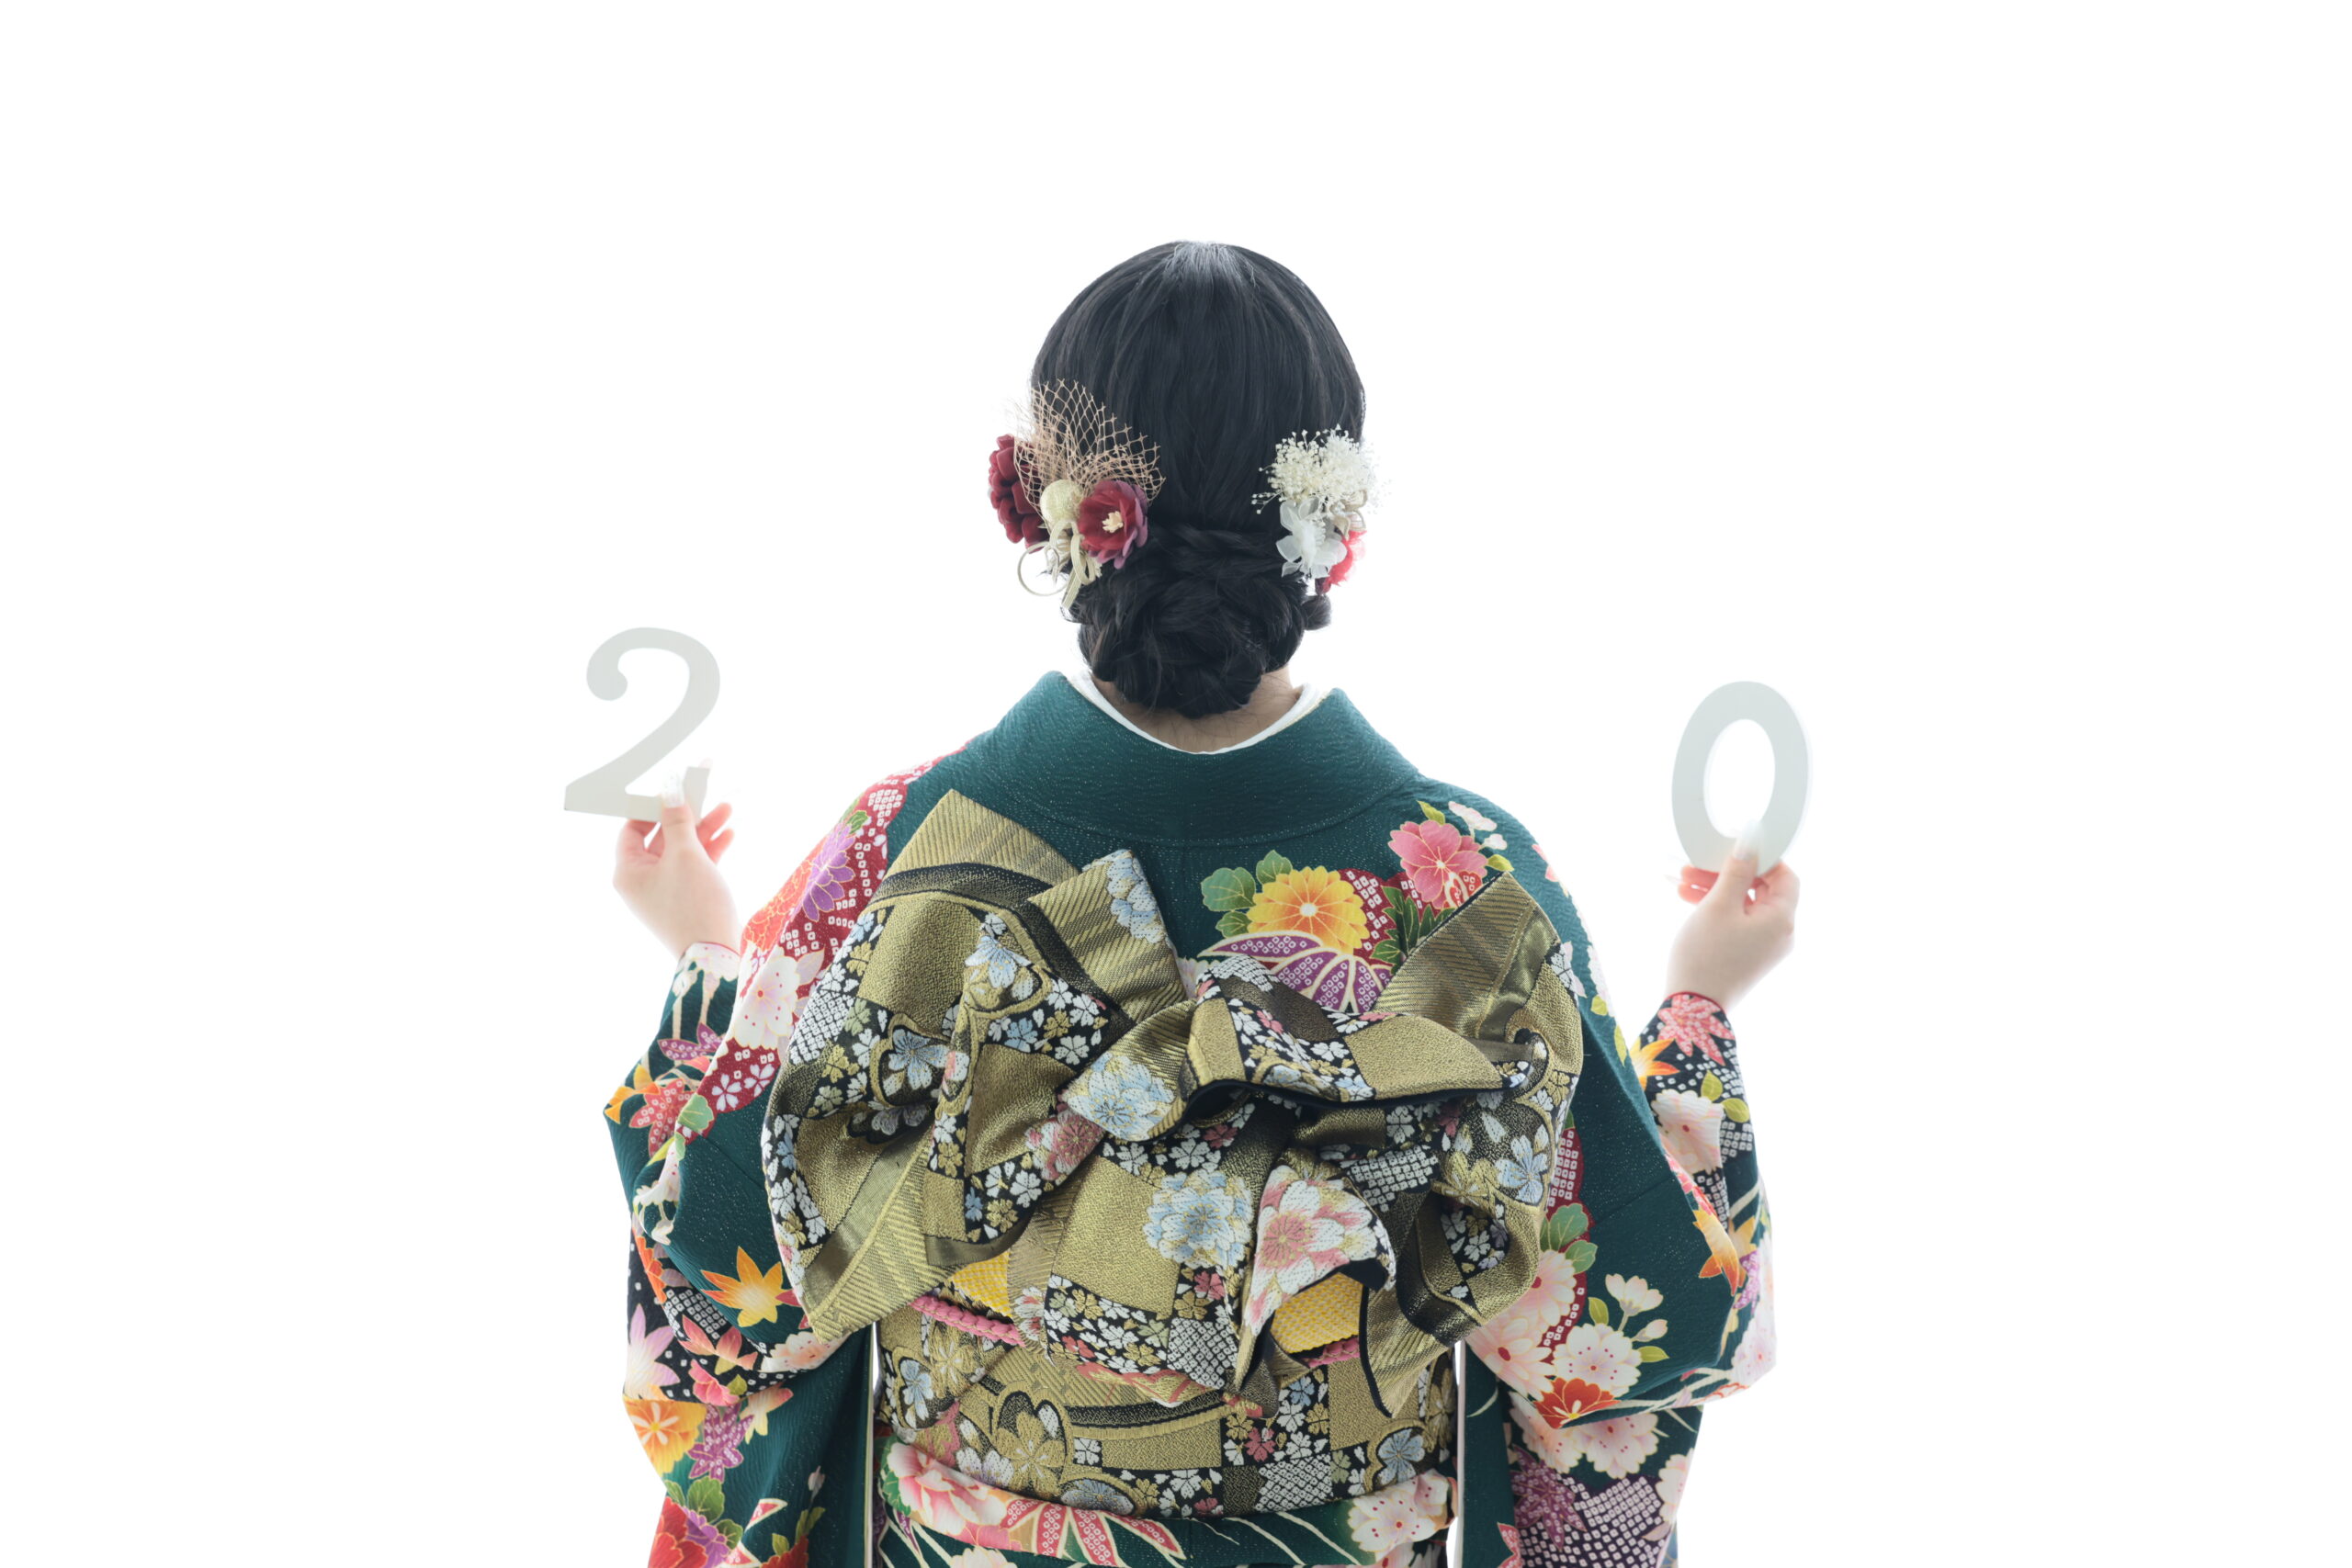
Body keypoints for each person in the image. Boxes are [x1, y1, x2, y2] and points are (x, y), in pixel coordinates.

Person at [601, 241, 1798, 1568]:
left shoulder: (909, 847)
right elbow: (1624, 1330)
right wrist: (1702, 1000)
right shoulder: (1466, 882)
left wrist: (705, 956)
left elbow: (723, 1270)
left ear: (1054, 513)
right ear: (1332, 530)